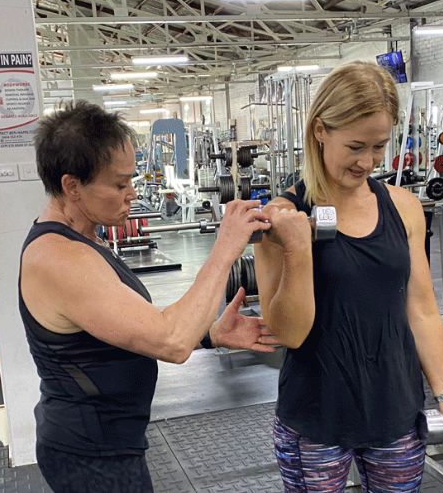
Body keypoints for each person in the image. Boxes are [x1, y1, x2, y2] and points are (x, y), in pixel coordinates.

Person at [19, 100, 278, 493]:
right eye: (119, 184)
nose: (130, 193)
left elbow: (131, 325)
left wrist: (209, 334)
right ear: (72, 186)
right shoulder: (58, 258)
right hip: (91, 453)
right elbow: (170, 342)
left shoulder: (85, 237)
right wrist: (226, 247)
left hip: (112, 441)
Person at [254, 62, 443, 491]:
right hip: (317, 417)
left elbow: (420, 308)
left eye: (379, 146)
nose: (368, 161)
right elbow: (287, 332)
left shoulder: (404, 207)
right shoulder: (280, 219)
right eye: (356, 146)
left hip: (394, 412)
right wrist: (297, 247)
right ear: (320, 130)